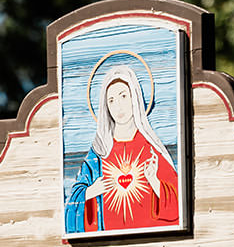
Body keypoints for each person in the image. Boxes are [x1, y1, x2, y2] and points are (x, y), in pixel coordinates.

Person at [64, 67, 179, 233]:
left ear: (135, 98)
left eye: (123, 96)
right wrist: (91, 191)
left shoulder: (151, 148)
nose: (118, 106)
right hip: (106, 246)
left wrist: (154, 180)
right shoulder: (100, 151)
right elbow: (71, 204)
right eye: (111, 100)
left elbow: (178, 204)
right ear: (106, 107)